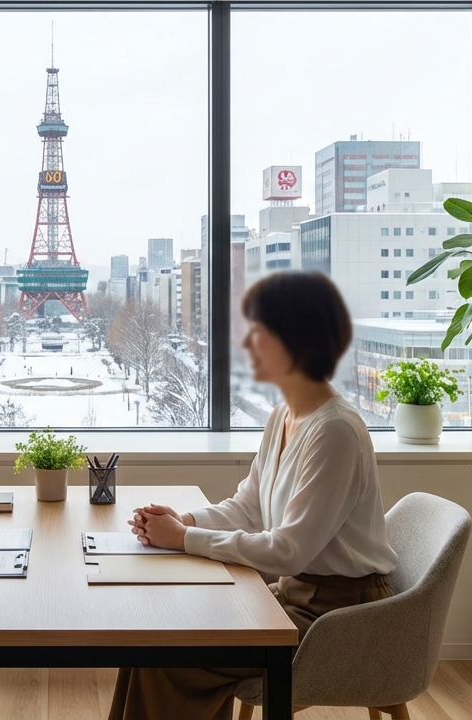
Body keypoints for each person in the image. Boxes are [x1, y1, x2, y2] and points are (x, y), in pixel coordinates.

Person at [109, 270, 399, 720]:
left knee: (171, 655)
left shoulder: (335, 432)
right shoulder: (283, 415)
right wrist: (185, 521)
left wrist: (182, 539)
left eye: (258, 332)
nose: (247, 344)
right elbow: (249, 506)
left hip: (339, 617)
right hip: (295, 596)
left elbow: (287, 550)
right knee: (154, 634)